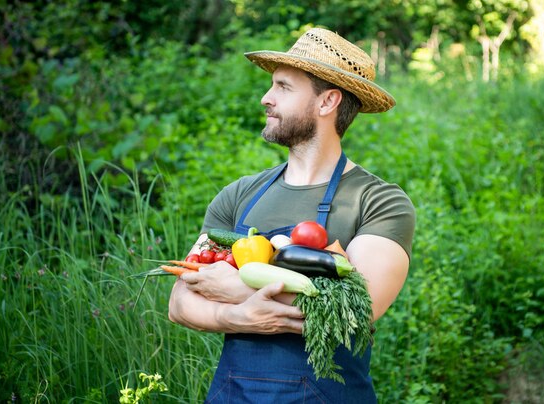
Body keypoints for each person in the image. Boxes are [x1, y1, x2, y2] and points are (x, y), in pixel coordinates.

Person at [168, 27, 415, 403]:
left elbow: (356, 312)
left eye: (283, 87)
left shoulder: (377, 201)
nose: (266, 98)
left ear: (327, 101)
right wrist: (238, 318)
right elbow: (180, 302)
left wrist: (237, 289)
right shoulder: (239, 195)